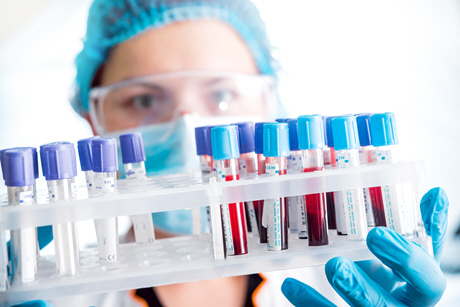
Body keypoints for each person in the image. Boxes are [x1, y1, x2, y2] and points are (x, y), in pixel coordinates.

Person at [17, 0, 450, 306]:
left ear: (271, 110)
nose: (189, 129)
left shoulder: (352, 278)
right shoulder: (55, 298)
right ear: (94, 124)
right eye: (145, 101)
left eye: (222, 93)